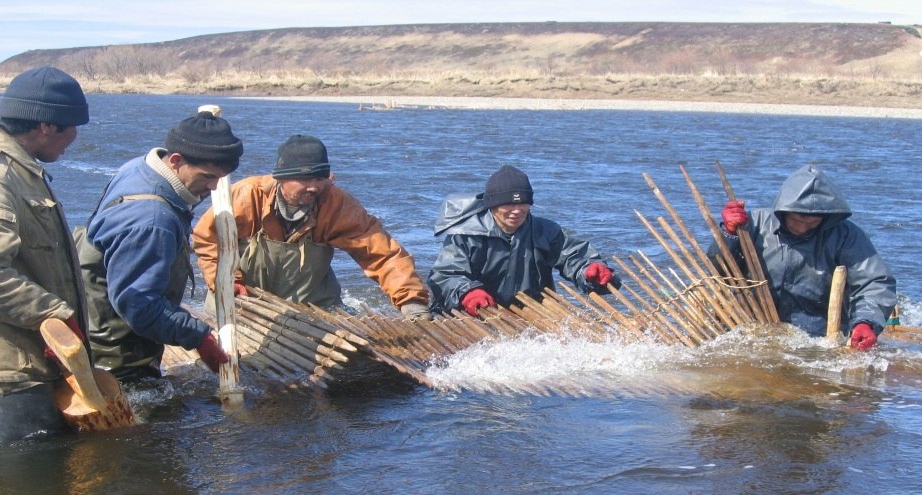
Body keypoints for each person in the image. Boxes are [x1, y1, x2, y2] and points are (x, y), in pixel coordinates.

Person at [75, 111, 243, 381]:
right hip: (114, 350)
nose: (213, 188)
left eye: (220, 179)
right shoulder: (153, 219)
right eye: (208, 176)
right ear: (176, 160)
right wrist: (199, 337)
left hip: (93, 316)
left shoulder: (139, 168)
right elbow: (139, 306)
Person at [192, 134, 431, 318]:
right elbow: (207, 241)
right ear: (281, 178)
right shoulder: (245, 196)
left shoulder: (335, 203)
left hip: (311, 309)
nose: (314, 187)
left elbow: (382, 254)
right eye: (305, 179)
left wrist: (412, 301)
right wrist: (228, 282)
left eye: (320, 178)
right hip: (242, 302)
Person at [0, 66, 90, 445]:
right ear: (46, 125)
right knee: (29, 494)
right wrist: (53, 314)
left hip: (27, 363)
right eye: (71, 127)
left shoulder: (21, 169)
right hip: (11, 376)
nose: (75, 138)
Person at [713, 163, 896, 350]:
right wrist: (730, 235)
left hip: (816, 338)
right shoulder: (753, 224)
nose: (801, 228)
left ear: (825, 218)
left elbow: (875, 282)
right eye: (796, 220)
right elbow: (717, 271)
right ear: (784, 211)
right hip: (749, 329)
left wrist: (865, 322)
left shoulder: (846, 236)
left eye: (811, 223)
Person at [427, 164, 620, 316]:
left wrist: (589, 270)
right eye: (509, 203)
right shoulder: (466, 235)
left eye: (522, 203)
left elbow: (573, 256)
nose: (517, 210)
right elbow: (445, 275)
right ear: (493, 205)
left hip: (529, 312)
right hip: (474, 314)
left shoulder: (547, 231)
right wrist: (468, 293)